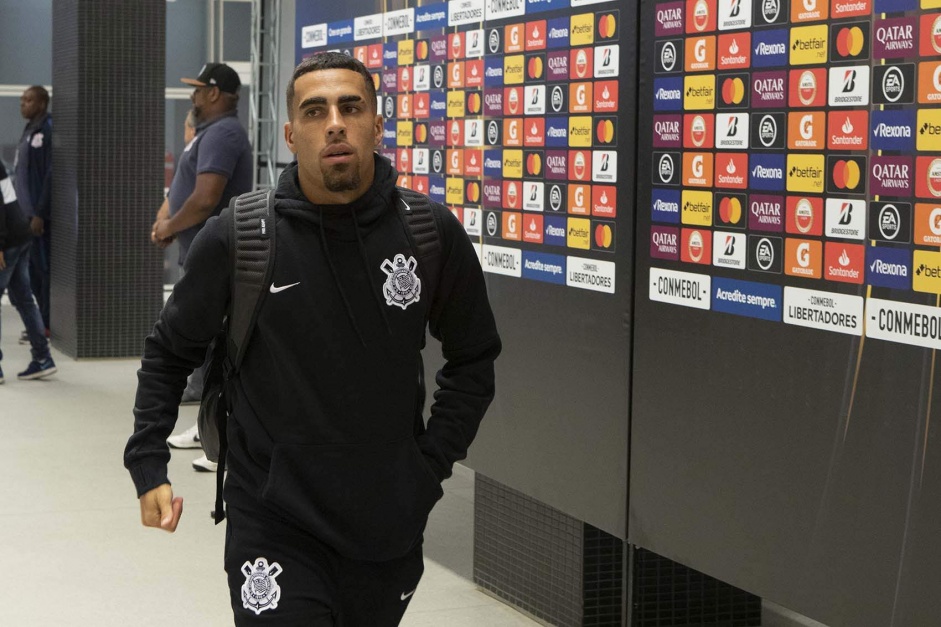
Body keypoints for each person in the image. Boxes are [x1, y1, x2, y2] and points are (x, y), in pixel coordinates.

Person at [124, 52, 501, 625]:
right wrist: (148, 460)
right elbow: (169, 349)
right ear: (291, 134)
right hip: (273, 524)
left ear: (376, 125)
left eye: (351, 107)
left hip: (386, 523)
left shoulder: (428, 234)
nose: (334, 123)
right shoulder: (241, 236)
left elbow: (473, 359)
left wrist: (428, 467)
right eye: (314, 110)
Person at [153, 63, 253, 473]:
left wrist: (169, 226)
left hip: (216, 259)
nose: (192, 97)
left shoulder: (225, 133)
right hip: (198, 255)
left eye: (197, 90)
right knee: (210, 347)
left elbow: (205, 198)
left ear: (214, 93)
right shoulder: (208, 135)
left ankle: (224, 443)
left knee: (219, 350)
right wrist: (166, 220)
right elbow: (183, 188)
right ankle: (207, 428)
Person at [0, 165, 57, 383]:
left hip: (9, 241)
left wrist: (0, 245)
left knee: (24, 299)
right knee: (24, 299)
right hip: (20, 235)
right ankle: (43, 358)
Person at [14, 86, 53, 340]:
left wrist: (40, 212)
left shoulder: (46, 128)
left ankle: (47, 324)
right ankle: (39, 324)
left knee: (42, 271)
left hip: (38, 217)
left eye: (28, 100)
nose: (22, 104)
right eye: (22, 100)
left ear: (41, 104)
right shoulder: (30, 129)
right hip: (24, 215)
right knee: (32, 272)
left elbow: (50, 173)